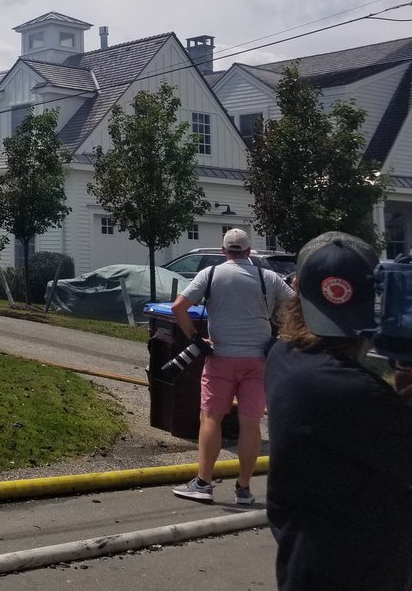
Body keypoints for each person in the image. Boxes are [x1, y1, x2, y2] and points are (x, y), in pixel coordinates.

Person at [265, 231, 412, 591]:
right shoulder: (349, 391)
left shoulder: (284, 358)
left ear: (296, 288)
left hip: (311, 564)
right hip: (354, 572)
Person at [170, 227, 293, 506]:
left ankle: (203, 483)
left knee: (211, 418)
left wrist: (195, 338)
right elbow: (295, 306)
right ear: (249, 252)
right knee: (250, 422)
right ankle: (244, 489)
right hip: (258, 360)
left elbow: (178, 307)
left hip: (220, 357)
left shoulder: (210, 274)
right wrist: (283, 333)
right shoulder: (268, 277)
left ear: (223, 250)